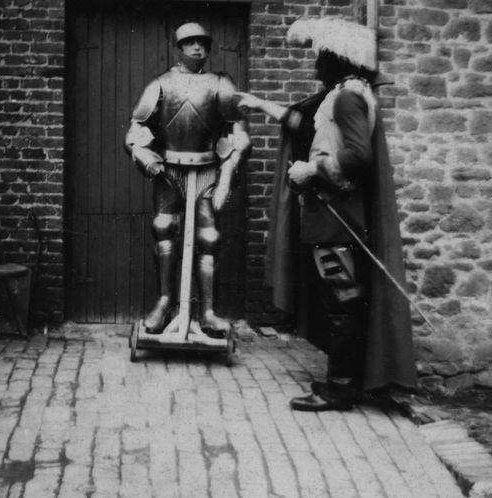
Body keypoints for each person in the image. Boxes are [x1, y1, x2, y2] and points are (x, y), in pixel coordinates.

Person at [237, 18, 417, 411]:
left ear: (339, 60)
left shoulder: (347, 98)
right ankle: (344, 382)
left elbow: (358, 156)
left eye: (321, 58)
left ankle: (339, 390)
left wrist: (311, 170)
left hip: (336, 218)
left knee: (342, 302)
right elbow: (304, 125)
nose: (316, 66)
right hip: (333, 216)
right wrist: (262, 105)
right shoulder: (344, 94)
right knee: (341, 300)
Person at [125, 22, 250, 337]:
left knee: (209, 238)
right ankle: (165, 301)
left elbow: (239, 134)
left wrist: (227, 175)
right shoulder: (161, 84)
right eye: (190, 43)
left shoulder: (220, 83)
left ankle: (207, 311)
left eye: (202, 43)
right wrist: (145, 156)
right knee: (164, 229)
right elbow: (137, 129)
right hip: (169, 170)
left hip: (207, 169)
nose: (197, 48)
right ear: (179, 48)